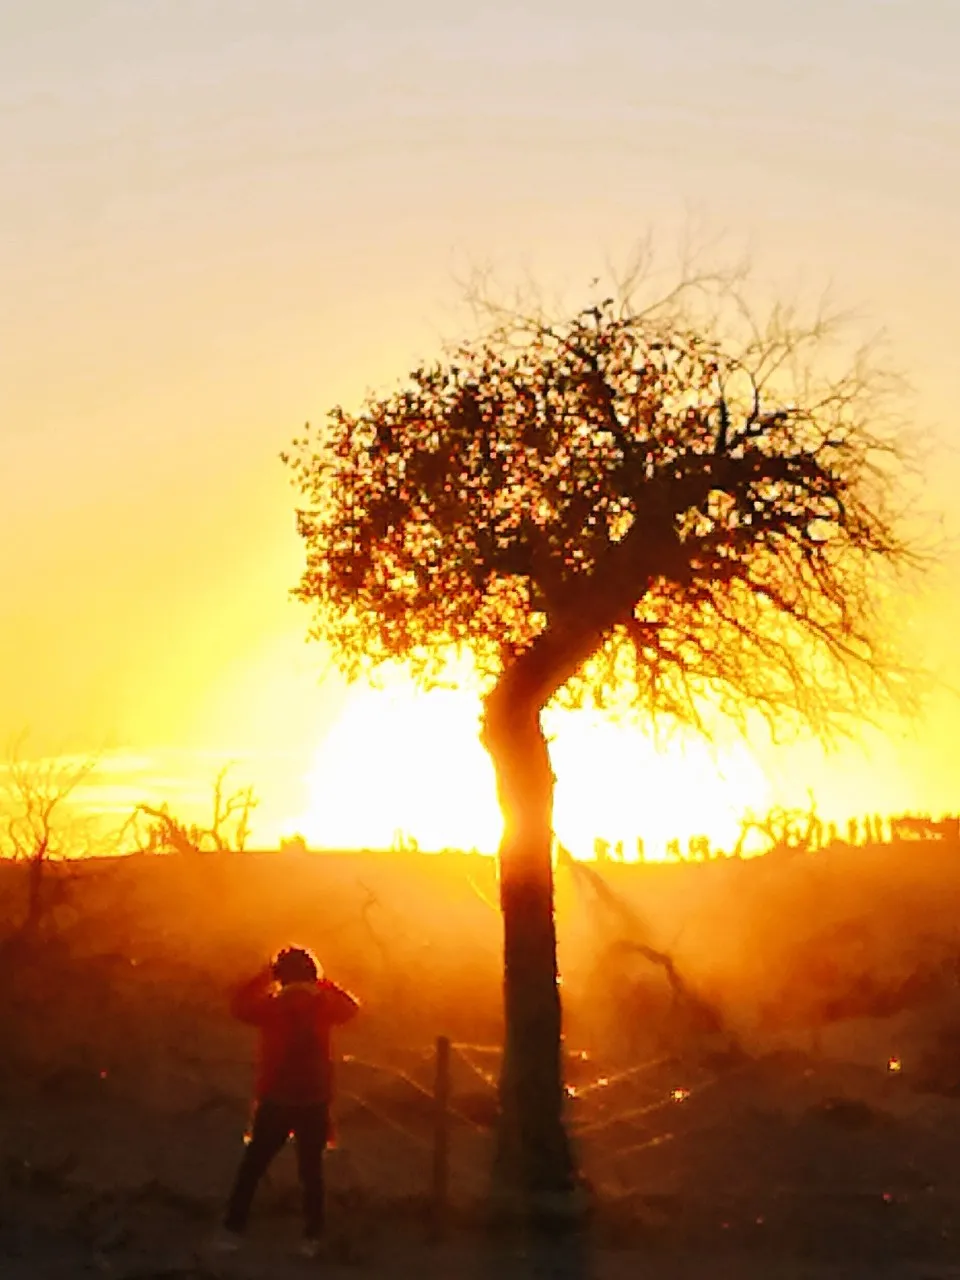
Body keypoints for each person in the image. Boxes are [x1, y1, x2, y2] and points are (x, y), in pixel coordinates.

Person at [214, 946, 359, 1258]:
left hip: (276, 1099)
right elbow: (352, 1008)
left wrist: (264, 974)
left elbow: (238, 1006)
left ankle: (232, 1230)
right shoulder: (324, 1007)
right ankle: (312, 1236)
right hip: (314, 1100)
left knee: (252, 1167)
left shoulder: (271, 1008)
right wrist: (324, 983)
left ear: (282, 976)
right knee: (311, 1172)